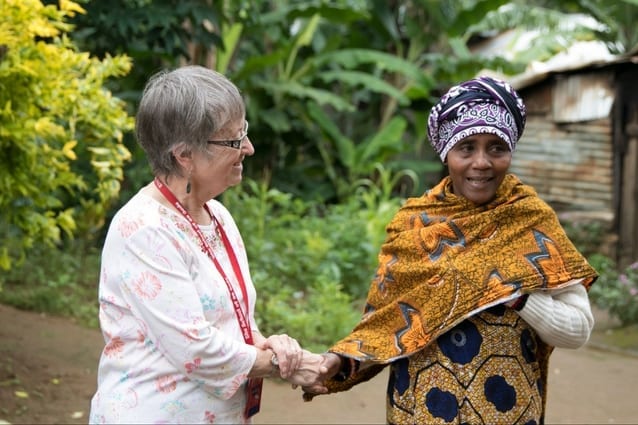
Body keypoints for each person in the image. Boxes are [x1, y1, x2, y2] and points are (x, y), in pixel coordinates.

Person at [302, 75, 598, 424]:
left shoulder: (529, 220)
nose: (482, 162)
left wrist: (510, 291)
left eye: (496, 148)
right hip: (420, 411)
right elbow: (388, 324)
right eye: (466, 147)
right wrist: (343, 360)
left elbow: (579, 329)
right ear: (446, 153)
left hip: (507, 412)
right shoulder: (416, 225)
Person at [89, 65, 324, 424]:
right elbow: (195, 347)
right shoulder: (143, 230)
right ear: (184, 156)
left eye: (244, 132)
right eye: (233, 140)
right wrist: (282, 364)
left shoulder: (218, 217)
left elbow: (232, 322)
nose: (248, 147)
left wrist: (270, 344)